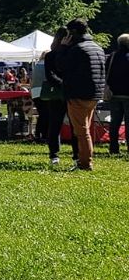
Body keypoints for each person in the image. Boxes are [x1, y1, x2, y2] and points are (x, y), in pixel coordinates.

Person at [57, 19, 106, 171]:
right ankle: (85, 160)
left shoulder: (76, 49)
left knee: (81, 131)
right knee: (86, 128)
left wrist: (62, 48)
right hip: (95, 93)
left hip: (78, 93)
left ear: (74, 33)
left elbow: (60, 66)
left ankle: (85, 163)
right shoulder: (97, 47)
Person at [42, 27, 77, 165]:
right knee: (72, 124)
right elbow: (51, 75)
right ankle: (74, 155)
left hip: (57, 92)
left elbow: (50, 76)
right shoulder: (69, 54)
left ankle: (54, 155)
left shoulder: (50, 55)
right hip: (66, 91)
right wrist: (66, 84)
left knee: (55, 124)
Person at [107, 34, 129, 154]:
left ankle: (113, 148)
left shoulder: (112, 56)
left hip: (113, 94)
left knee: (115, 123)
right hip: (127, 94)